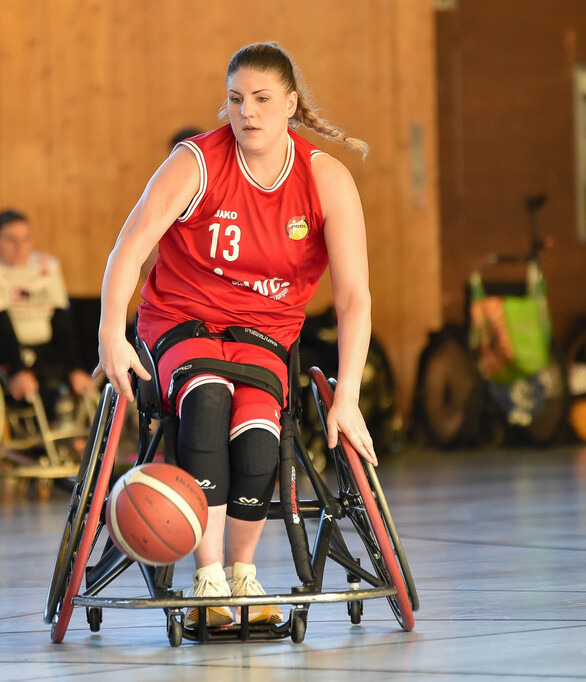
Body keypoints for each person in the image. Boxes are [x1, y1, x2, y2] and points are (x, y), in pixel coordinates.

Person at [95, 42, 378, 628]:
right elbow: (130, 246)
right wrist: (110, 334)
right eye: (235, 99)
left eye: (262, 98)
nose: (246, 111)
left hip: (264, 336)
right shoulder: (195, 162)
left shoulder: (325, 180)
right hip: (181, 320)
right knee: (205, 402)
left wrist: (347, 395)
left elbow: (353, 297)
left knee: (256, 437)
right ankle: (209, 578)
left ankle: (244, 571)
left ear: (290, 104)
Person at [0, 209, 95, 414]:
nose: (20, 248)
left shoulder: (46, 265)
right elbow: (0, 324)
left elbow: (61, 320)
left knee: (69, 366)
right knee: (30, 373)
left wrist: (75, 368)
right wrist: (17, 371)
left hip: (37, 346)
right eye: (11, 240)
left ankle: (67, 426)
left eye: (26, 240)